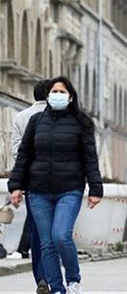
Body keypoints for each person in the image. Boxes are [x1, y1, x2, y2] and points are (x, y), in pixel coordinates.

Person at [8, 76, 103, 294]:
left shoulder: (82, 123)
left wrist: (95, 188)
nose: (57, 96)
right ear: (47, 96)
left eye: (62, 92)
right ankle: (57, 288)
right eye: (54, 92)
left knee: (61, 235)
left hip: (69, 189)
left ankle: (73, 280)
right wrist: (16, 186)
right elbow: (23, 156)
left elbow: (90, 157)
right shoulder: (36, 122)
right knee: (46, 243)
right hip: (38, 191)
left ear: (70, 97)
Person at [9, 79, 51, 293]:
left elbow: (16, 151)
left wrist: (20, 180)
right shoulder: (66, 117)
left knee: (37, 230)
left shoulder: (20, 116)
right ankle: (55, 277)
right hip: (61, 184)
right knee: (59, 232)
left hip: (33, 182)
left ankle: (42, 277)